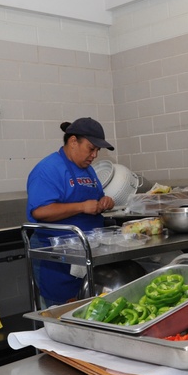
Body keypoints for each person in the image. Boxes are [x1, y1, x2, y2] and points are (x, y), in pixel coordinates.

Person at [26, 117, 115, 307]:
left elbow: (96, 199)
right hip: (56, 257)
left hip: (86, 252)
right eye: (91, 148)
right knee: (59, 312)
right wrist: (82, 207)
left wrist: (105, 202)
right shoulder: (48, 169)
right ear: (73, 141)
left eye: (97, 151)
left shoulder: (88, 170)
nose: (94, 155)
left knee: (89, 308)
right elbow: (40, 212)